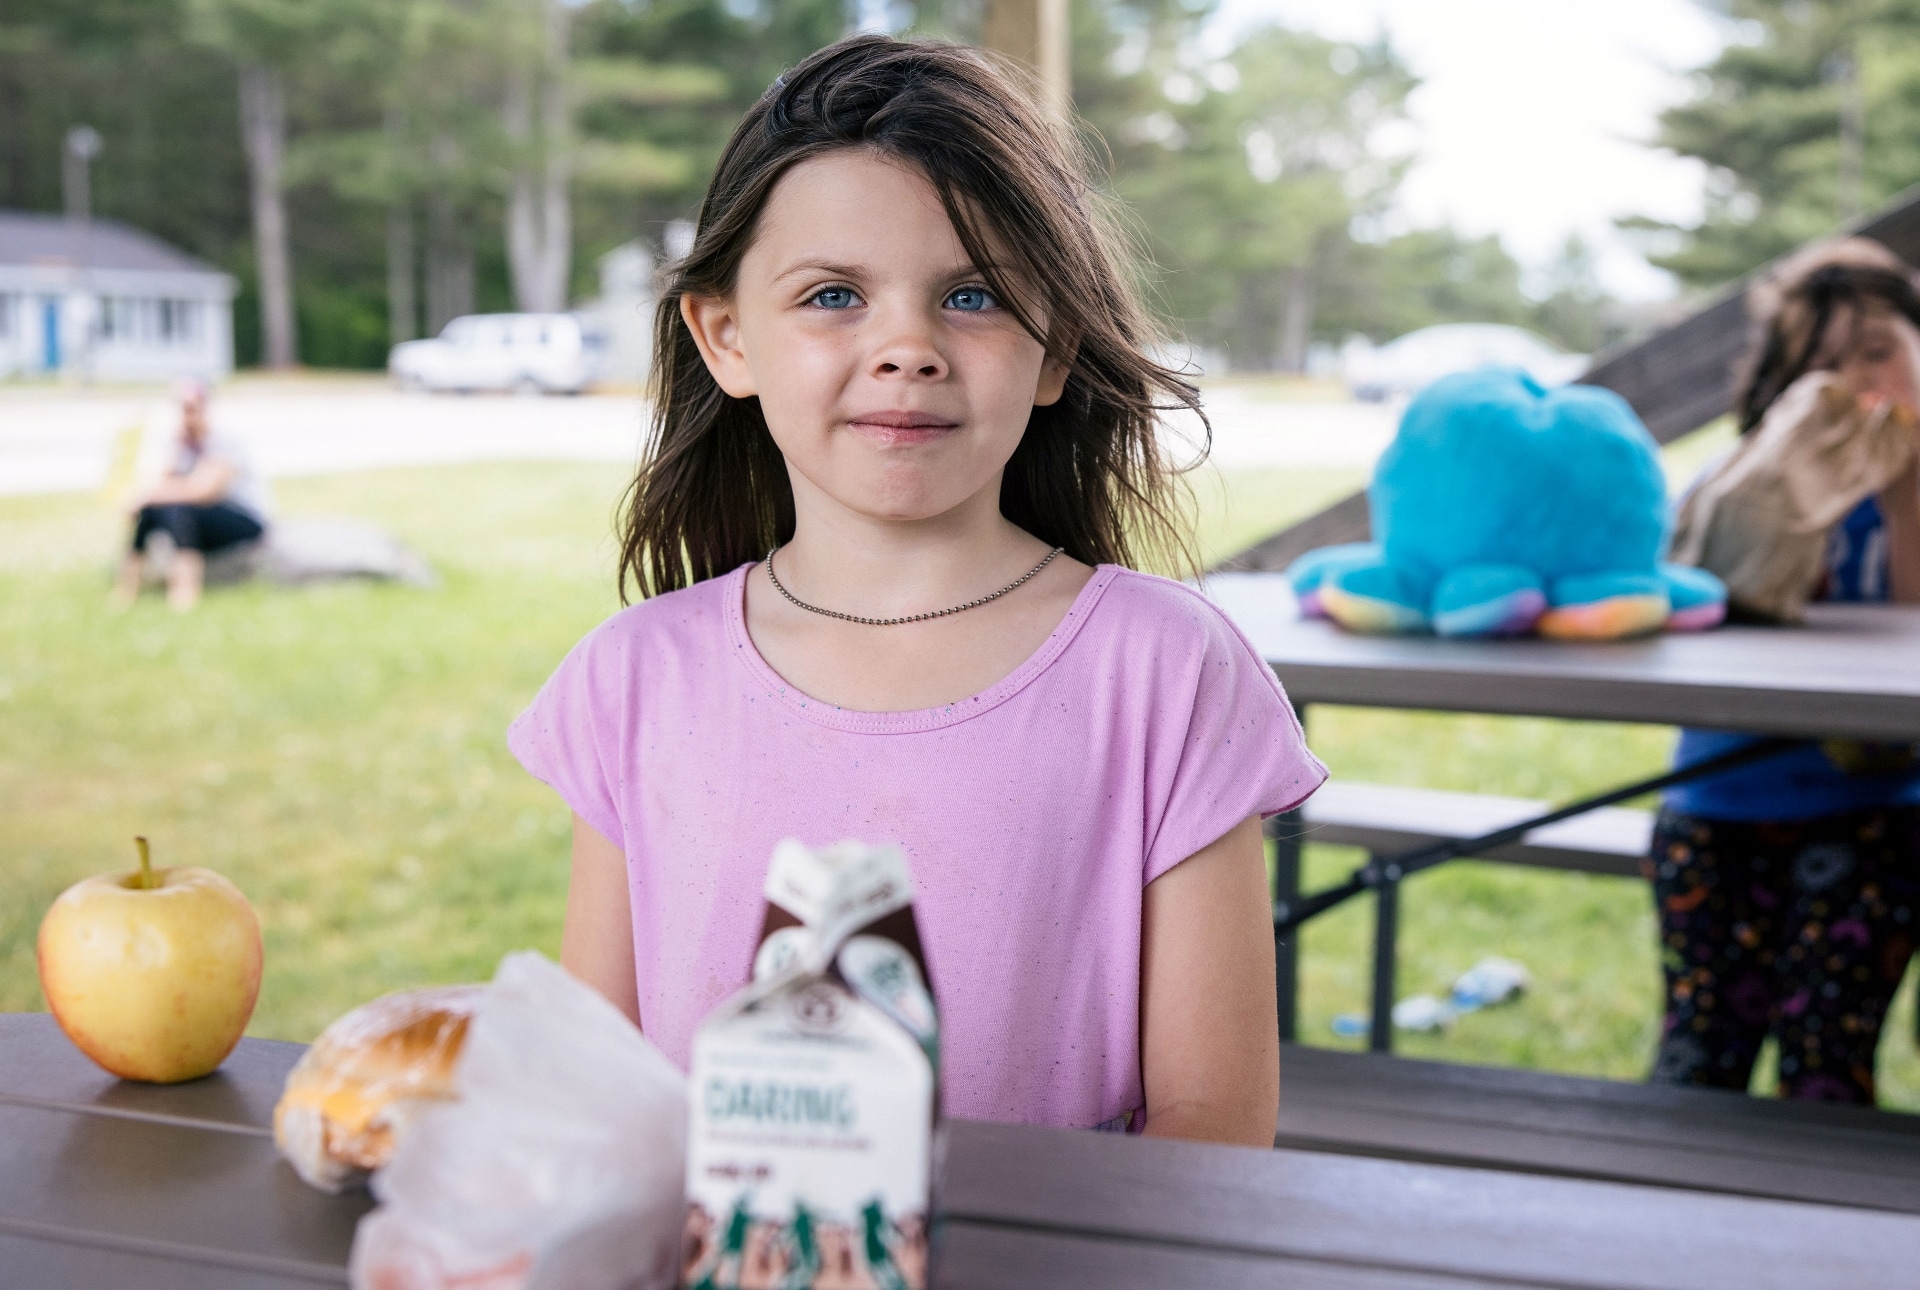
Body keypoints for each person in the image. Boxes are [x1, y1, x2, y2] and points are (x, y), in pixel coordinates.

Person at [507, 36, 1324, 1145]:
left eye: (974, 295)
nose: (908, 347)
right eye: (836, 294)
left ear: (1054, 352)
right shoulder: (632, 678)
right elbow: (592, 1092)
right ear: (726, 335)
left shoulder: (1168, 673)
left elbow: (1212, 1127)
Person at [1650, 238, 1920, 1104]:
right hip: (1725, 797)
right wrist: (1786, 481)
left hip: (1882, 811)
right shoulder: (1736, 482)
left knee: (1826, 1071)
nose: (1864, 386)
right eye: (1827, 367)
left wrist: (1906, 486)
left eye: (1879, 352)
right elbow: (1696, 603)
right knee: (1699, 1063)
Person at [112, 382, 273, 612]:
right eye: (181, 408)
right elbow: (161, 483)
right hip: (202, 515)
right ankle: (127, 589)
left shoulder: (225, 438)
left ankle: (185, 591)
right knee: (149, 513)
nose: (187, 416)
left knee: (179, 510)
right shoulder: (176, 441)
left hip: (242, 516)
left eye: (191, 408)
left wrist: (146, 496)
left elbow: (203, 491)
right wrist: (174, 453)